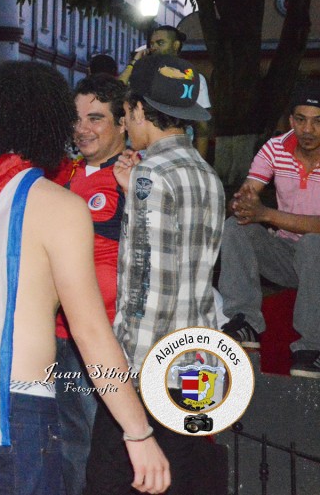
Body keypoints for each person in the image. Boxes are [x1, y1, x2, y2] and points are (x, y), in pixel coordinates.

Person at [0, 61, 169, 495]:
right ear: (52, 121)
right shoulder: (58, 205)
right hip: (20, 408)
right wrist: (138, 432)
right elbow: (91, 332)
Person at [85, 54, 224, 494]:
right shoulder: (206, 174)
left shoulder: (151, 175)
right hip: (196, 365)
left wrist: (122, 378)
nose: (126, 121)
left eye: (126, 112)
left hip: (149, 372)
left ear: (141, 110)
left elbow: (147, 288)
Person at [55, 75, 128, 495]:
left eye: (96, 118)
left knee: (107, 446)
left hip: (106, 339)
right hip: (63, 338)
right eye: (77, 118)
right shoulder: (64, 174)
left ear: (122, 123)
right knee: (71, 442)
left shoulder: (136, 177)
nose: (82, 128)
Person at [218, 81, 320, 377]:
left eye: (317, 122)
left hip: (316, 255)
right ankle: (245, 321)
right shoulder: (276, 147)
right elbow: (249, 191)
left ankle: (311, 347)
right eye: (300, 120)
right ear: (291, 120)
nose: (308, 130)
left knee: (314, 243)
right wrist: (242, 204)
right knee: (237, 227)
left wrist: (265, 214)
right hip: (287, 257)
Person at [119, 25, 211, 158]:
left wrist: (200, 162)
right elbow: (115, 91)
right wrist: (134, 62)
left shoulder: (191, 78)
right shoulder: (142, 74)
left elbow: (202, 128)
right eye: (151, 44)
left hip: (175, 156)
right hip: (137, 158)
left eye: (160, 42)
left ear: (175, 45)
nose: (154, 47)